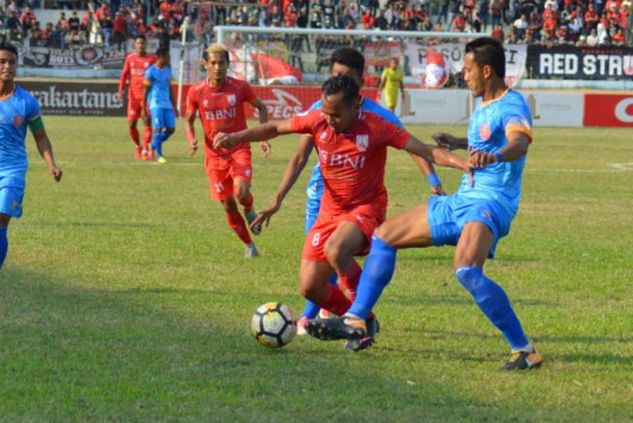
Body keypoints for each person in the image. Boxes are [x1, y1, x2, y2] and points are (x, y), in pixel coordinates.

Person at [307, 37, 543, 370]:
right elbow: (489, 139)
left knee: (467, 270)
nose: (465, 75)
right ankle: (357, 320)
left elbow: (518, 143)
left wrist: (496, 155)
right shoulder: (484, 106)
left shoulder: (513, 104)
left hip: (489, 202)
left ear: (487, 70)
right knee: (384, 236)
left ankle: (525, 350)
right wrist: (460, 143)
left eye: (469, 69)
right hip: (463, 198)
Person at [213, 74, 470, 350]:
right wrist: (236, 137)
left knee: (337, 249)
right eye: (325, 112)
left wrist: (464, 164)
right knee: (310, 286)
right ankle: (364, 319)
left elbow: (426, 151)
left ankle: (355, 319)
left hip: (366, 208)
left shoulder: (378, 128)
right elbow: (276, 127)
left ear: (357, 104)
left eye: (335, 114)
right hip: (329, 212)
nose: (329, 119)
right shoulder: (318, 122)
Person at [270, 47, 445, 343]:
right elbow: (300, 156)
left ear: (359, 82)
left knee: (337, 253)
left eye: (346, 77)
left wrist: (433, 179)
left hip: (358, 200)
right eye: (335, 75)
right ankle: (336, 315)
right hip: (321, 197)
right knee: (319, 265)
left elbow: (412, 146)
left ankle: (326, 317)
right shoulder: (320, 108)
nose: (339, 81)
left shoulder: (377, 116)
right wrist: (278, 198)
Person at [184, 43, 270, 259]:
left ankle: (249, 208)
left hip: (239, 148)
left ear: (228, 64)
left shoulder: (240, 87)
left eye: (222, 63)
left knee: (241, 192)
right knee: (228, 205)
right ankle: (249, 246)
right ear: (205, 65)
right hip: (214, 156)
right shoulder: (196, 91)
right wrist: (192, 139)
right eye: (213, 63)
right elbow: (188, 120)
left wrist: (263, 136)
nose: (217, 67)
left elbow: (262, 107)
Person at [0, 43, 62, 270]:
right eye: (2, 62)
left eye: (12, 62)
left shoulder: (27, 102)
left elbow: (41, 137)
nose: (7, 66)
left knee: (1, 221)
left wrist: (52, 165)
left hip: (13, 170)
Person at [118, 34, 155, 160]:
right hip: (133, 97)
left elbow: (154, 77)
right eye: (138, 43)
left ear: (146, 45)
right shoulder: (130, 58)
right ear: (135, 45)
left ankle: (145, 148)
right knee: (131, 125)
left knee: (147, 122)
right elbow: (124, 75)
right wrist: (120, 91)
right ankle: (138, 146)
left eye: (142, 43)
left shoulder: (151, 60)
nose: (140, 45)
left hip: (147, 97)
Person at [143, 47, 176, 164]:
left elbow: (170, 89)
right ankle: (159, 155)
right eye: (167, 57)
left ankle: (153, 145)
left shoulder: (168, 70)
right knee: (158, 129)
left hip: (167, 104)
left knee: (171, 129)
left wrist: (174, 105)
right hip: (155, 103)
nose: (169, 59)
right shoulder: (150, 71)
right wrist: (144, 108)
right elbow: (145, 90)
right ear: (160, 57)